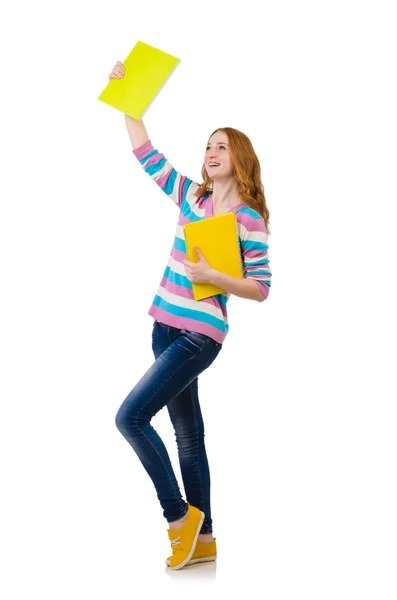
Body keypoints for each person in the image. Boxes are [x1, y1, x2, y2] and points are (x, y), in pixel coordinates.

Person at [109, 61, 272, 570]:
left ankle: (179, 518)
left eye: (220, 146)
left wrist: (216, 276)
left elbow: (262, 288)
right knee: (188, 434)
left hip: (199, 335)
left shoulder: (248, 218)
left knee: (130, 417)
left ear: (239, 157)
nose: (210, 153)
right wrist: (126, 97)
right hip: (163, 326)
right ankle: (205, 542)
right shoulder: (192, 197)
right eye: (207, 146)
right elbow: (145, 152)